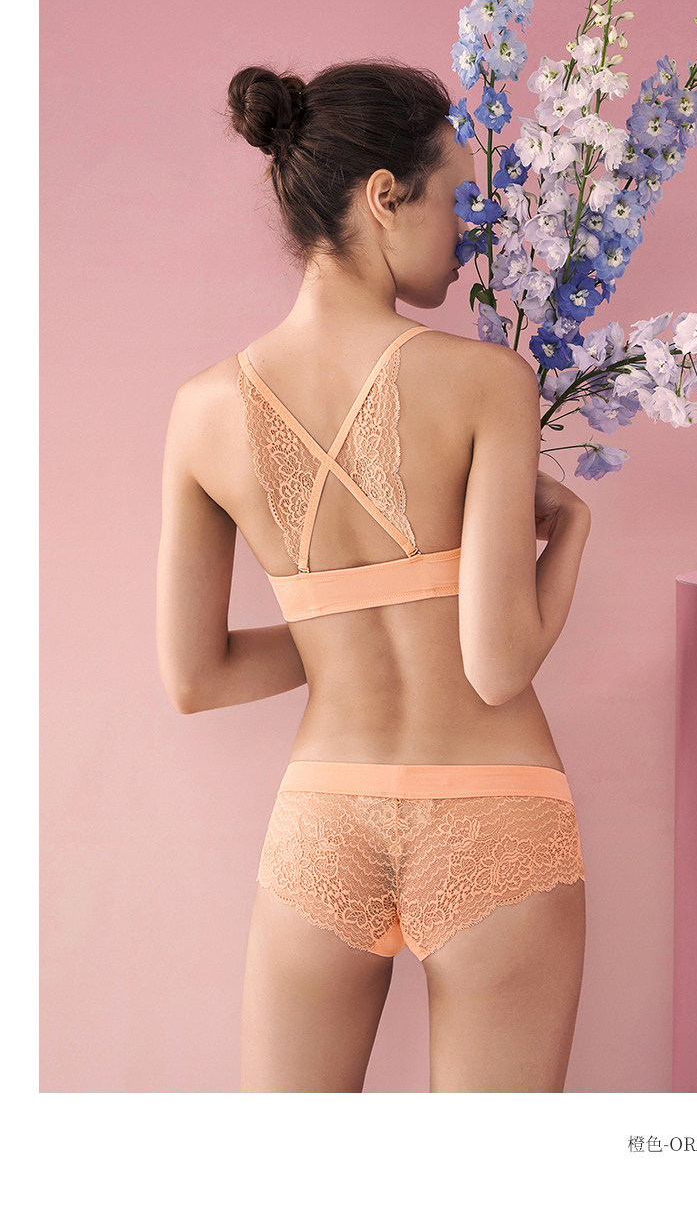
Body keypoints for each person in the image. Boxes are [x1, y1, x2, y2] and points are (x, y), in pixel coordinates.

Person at [156, 58, 592, 1094]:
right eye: (456, 199)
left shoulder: (200, 411)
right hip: (494, 815)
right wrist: (571, 533)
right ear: (385, 195)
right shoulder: (486, 381)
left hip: (323, 821)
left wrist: (333, 630)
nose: (470, 232)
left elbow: (197, 679)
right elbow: (496, 667)